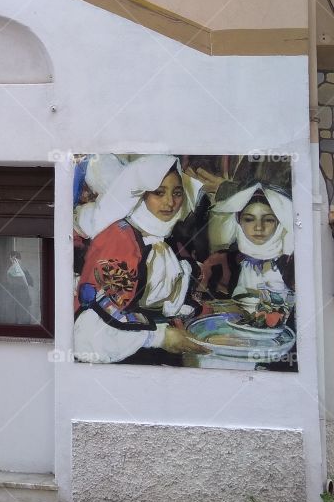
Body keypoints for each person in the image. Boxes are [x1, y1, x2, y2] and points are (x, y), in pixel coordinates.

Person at [73, 155, 207, 365]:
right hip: (123, 355)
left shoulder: (166, 239)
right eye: (159, 193)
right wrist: (158, 337)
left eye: (177, 193)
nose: (170, 202)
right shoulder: (119, 238)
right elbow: (97, 320)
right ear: (140, 194)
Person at [200, 184, 295, 316]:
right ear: (239, 221)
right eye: (249, 219)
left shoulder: (291, 262)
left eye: (268, 220)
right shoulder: (224, 262)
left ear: (279, 223)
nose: (258, 227)